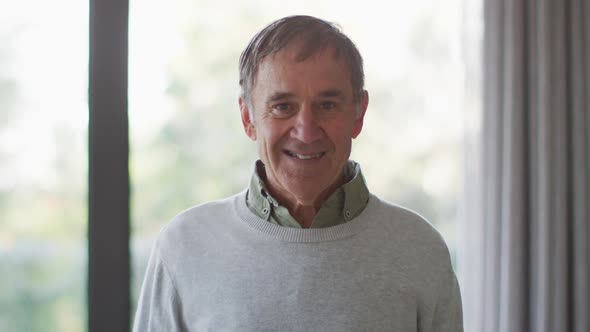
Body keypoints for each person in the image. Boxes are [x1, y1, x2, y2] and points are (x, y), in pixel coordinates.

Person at [133, 15, 463, 331]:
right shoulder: (184, 246)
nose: (305, 131)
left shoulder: (419, 248)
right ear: (248, 117)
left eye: (327, 105)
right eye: (282, 106)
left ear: (358, 114)